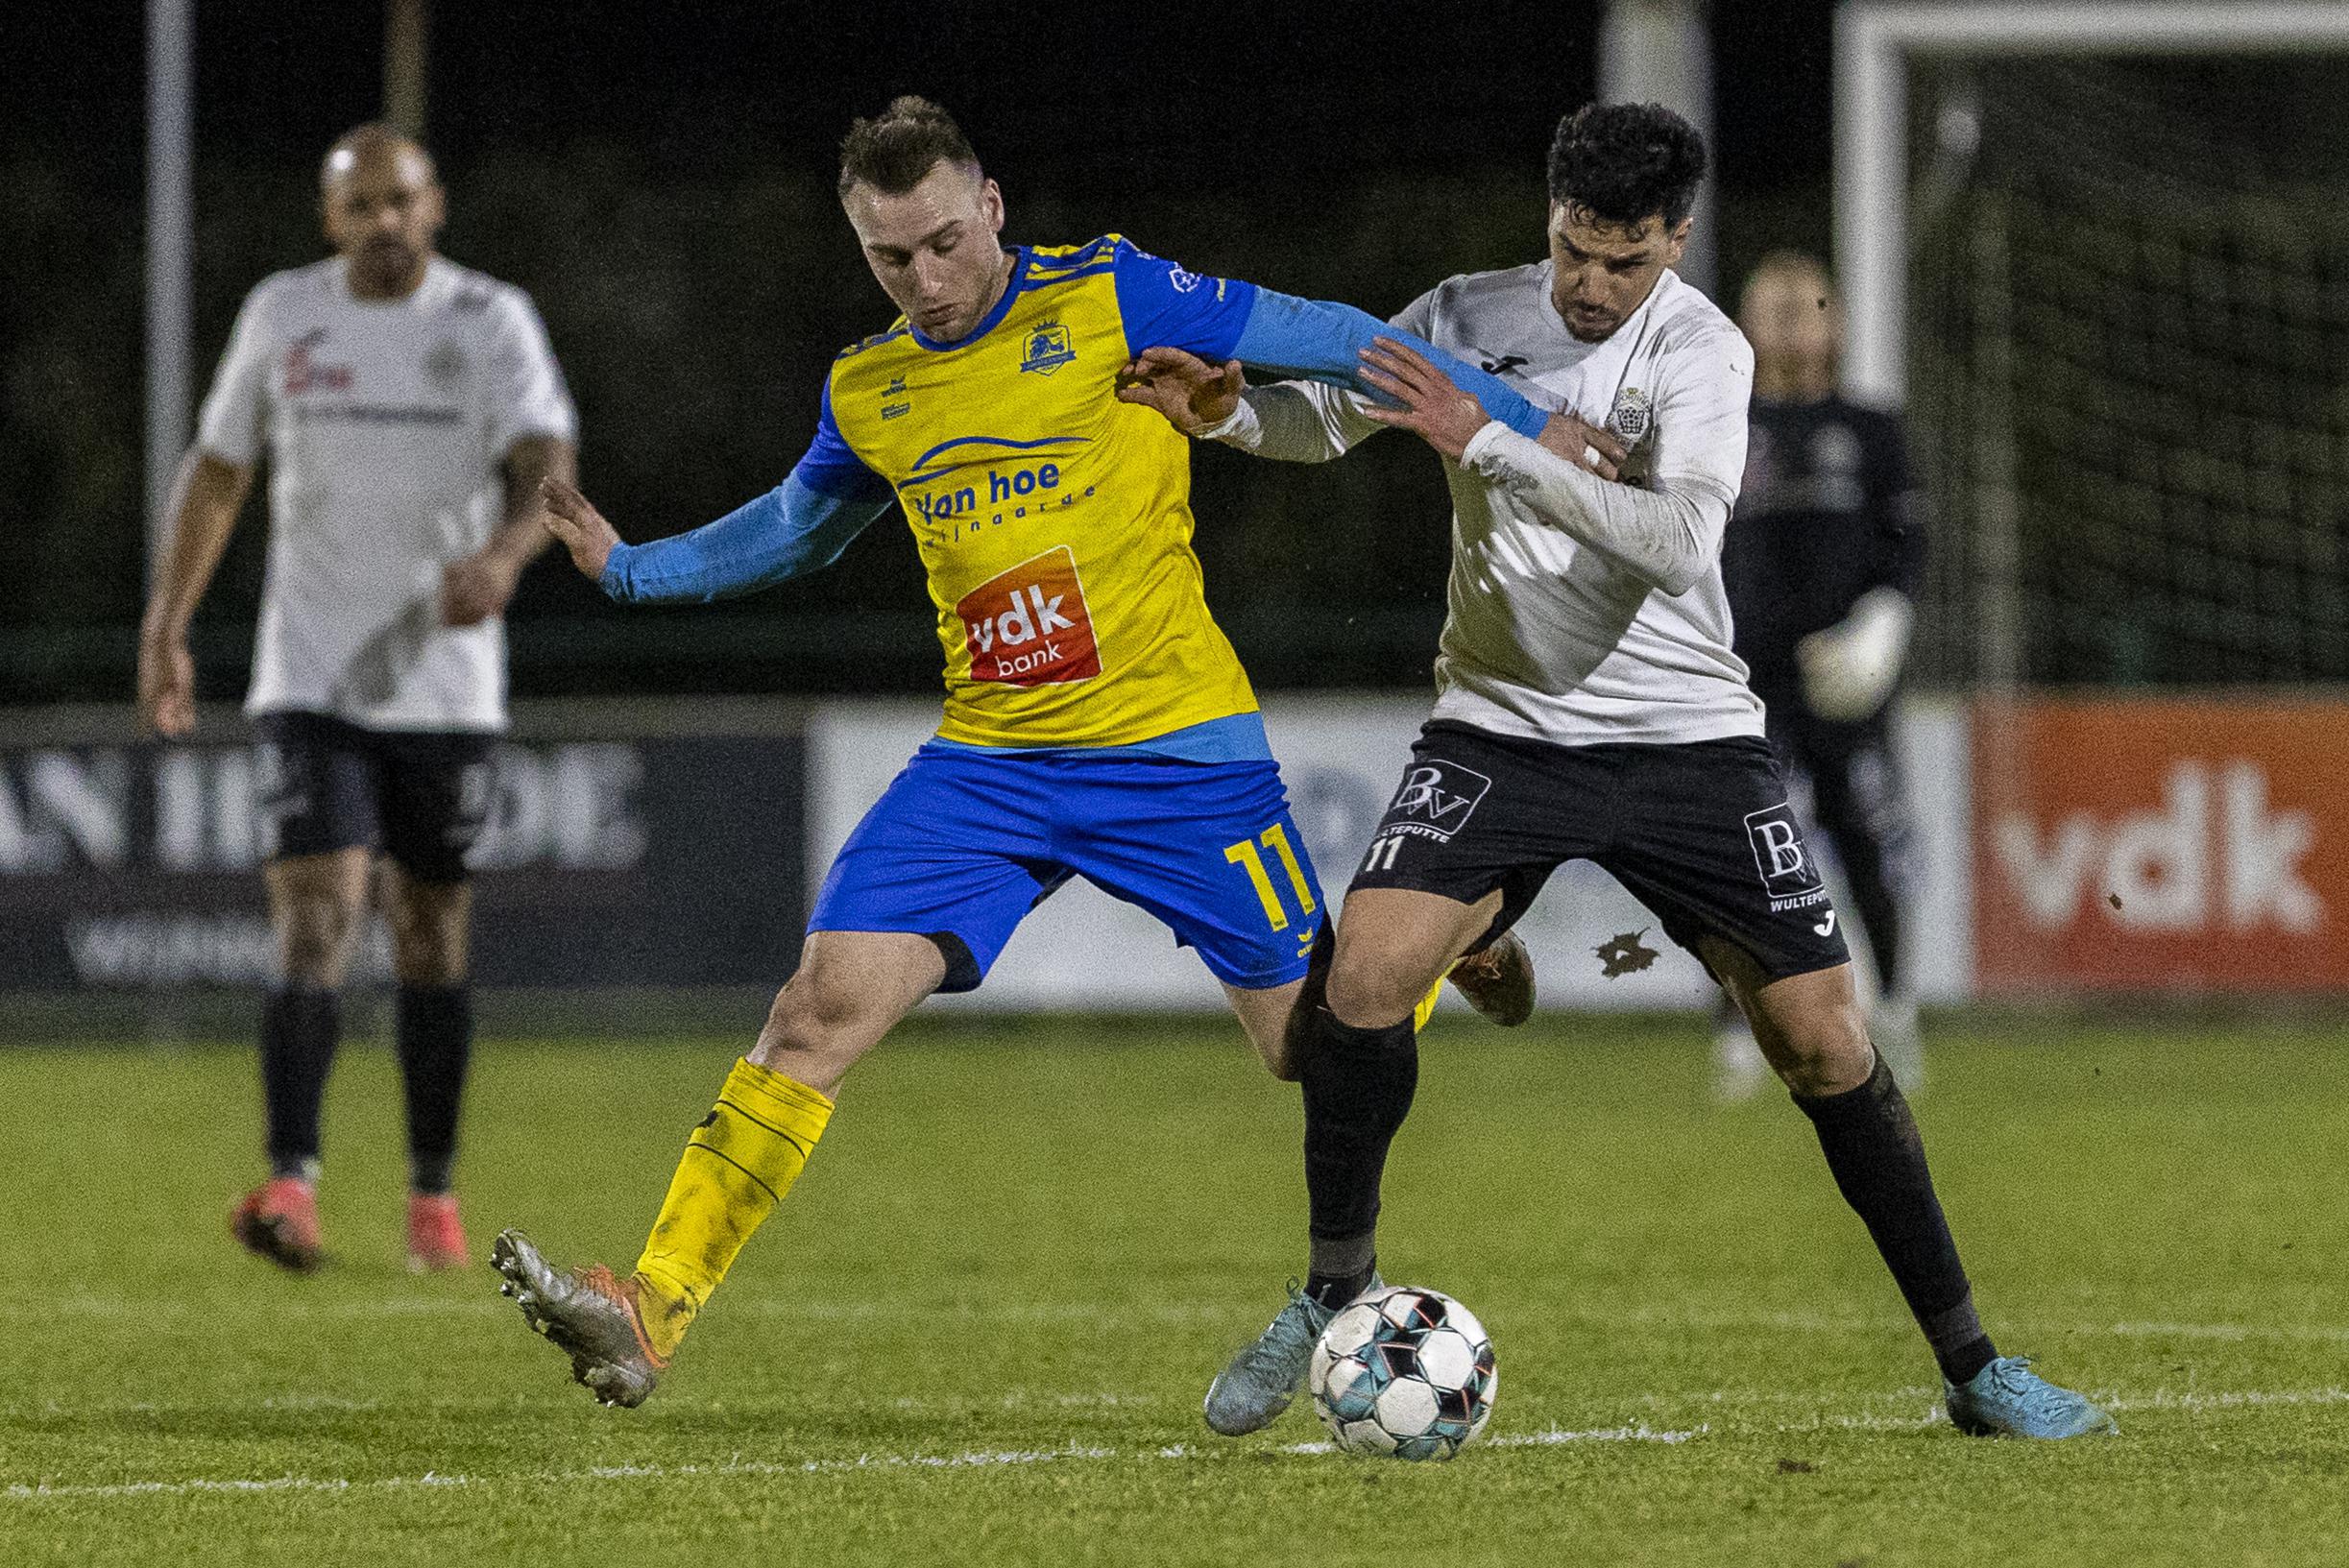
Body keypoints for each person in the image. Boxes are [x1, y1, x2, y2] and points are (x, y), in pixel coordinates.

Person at [488, 97, 1547, 1409]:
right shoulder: (871, 388)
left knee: (1311, 1052)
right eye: (890, 258)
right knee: (813, 1009)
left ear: (988, 205)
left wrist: (1524, 432)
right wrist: (633, 570)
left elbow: (1326, 338)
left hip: (1174, 751)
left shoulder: (1108, 294)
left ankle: (1442, 935)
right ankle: (647, 1310)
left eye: (942, 242)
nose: (925, 281)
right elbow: (798, 530)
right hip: (987, 767)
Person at [1120, 103, 2113, 1440]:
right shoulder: (1466, 314)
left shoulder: (1705, 353)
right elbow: (1332, 424)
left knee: (1822, 1039)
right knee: (1356, 976)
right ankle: (1328, 1292)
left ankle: (1972, 1366)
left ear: (1676, 242)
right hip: (1500, 726)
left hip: (1687, 737)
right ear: (1552, 218)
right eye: (1574, 252)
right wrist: (1231, 418)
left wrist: (1488, 443)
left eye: (1623, 262)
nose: (1591, 288)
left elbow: (1677, 537)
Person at [134, 125, 578, 1272]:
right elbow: (219, 468)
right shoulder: (285, 314)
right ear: (330, 220)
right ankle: (292, 1183)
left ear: (435, 207)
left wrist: (505, 557)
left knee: (429, 933)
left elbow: (548, 469)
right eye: (359, 205)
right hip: (310, 673)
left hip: (445, 682)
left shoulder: (491, 321)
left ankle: (431, 1194)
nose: (382, 221)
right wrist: (167, 622)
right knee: (317, 913)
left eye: (401, 200)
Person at [1712, 252, 1925, 1100]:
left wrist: (1882, 626)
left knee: (1863, 837)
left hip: (1845, 676)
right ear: (1747, 323)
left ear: (1833, 323)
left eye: (1808, 307)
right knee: (1741, 854)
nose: (1793, 322)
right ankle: (1737, 1030)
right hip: (1742, 678)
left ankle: (1898, 1014)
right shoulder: (1723, 423)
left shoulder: (1872, 430)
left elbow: (1910, 547)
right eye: (1774, 307)